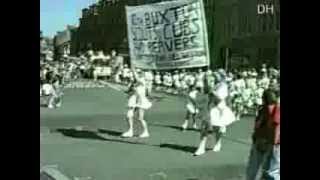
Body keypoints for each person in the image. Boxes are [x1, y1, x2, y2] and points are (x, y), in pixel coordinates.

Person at [194, 71, 236, 156]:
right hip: (209, 108)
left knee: (217, 128)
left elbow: (220, 98)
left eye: (215, 77)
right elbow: (203, 94)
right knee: (204, 127)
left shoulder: (223, 86)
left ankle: (218, 142)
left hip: (218, 108)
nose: (213, 79)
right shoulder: (209, 84)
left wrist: (212, 91)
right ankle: (201, 147)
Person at [246, 89, 280, 180]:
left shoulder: (267, 109)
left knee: (255, 168)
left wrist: (273, 144)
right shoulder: (274, 108)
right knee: (270, 170)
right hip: (268, 142)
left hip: (264, 141)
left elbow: (275, 127)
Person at [121, 68, 152, 138]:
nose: (138, 74)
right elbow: (129, 91)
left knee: (140, 118)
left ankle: (146, 132)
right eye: (138, 72)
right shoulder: (133, 83)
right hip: (134, 100)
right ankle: (130, 131)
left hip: (141, 101)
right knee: (129, 116)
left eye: (139, 72)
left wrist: (133, 70)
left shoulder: (142, 81)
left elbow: (137, 79)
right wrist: (129, 90)